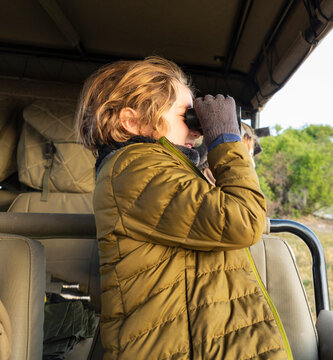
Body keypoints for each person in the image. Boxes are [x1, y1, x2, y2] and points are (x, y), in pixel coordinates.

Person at [76, 57, 291, 360]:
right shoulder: (135, 169)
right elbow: (244, 220)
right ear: (132, 121)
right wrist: (226, 139)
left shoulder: (152, 170)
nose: (197, 130)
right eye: (187, 116)